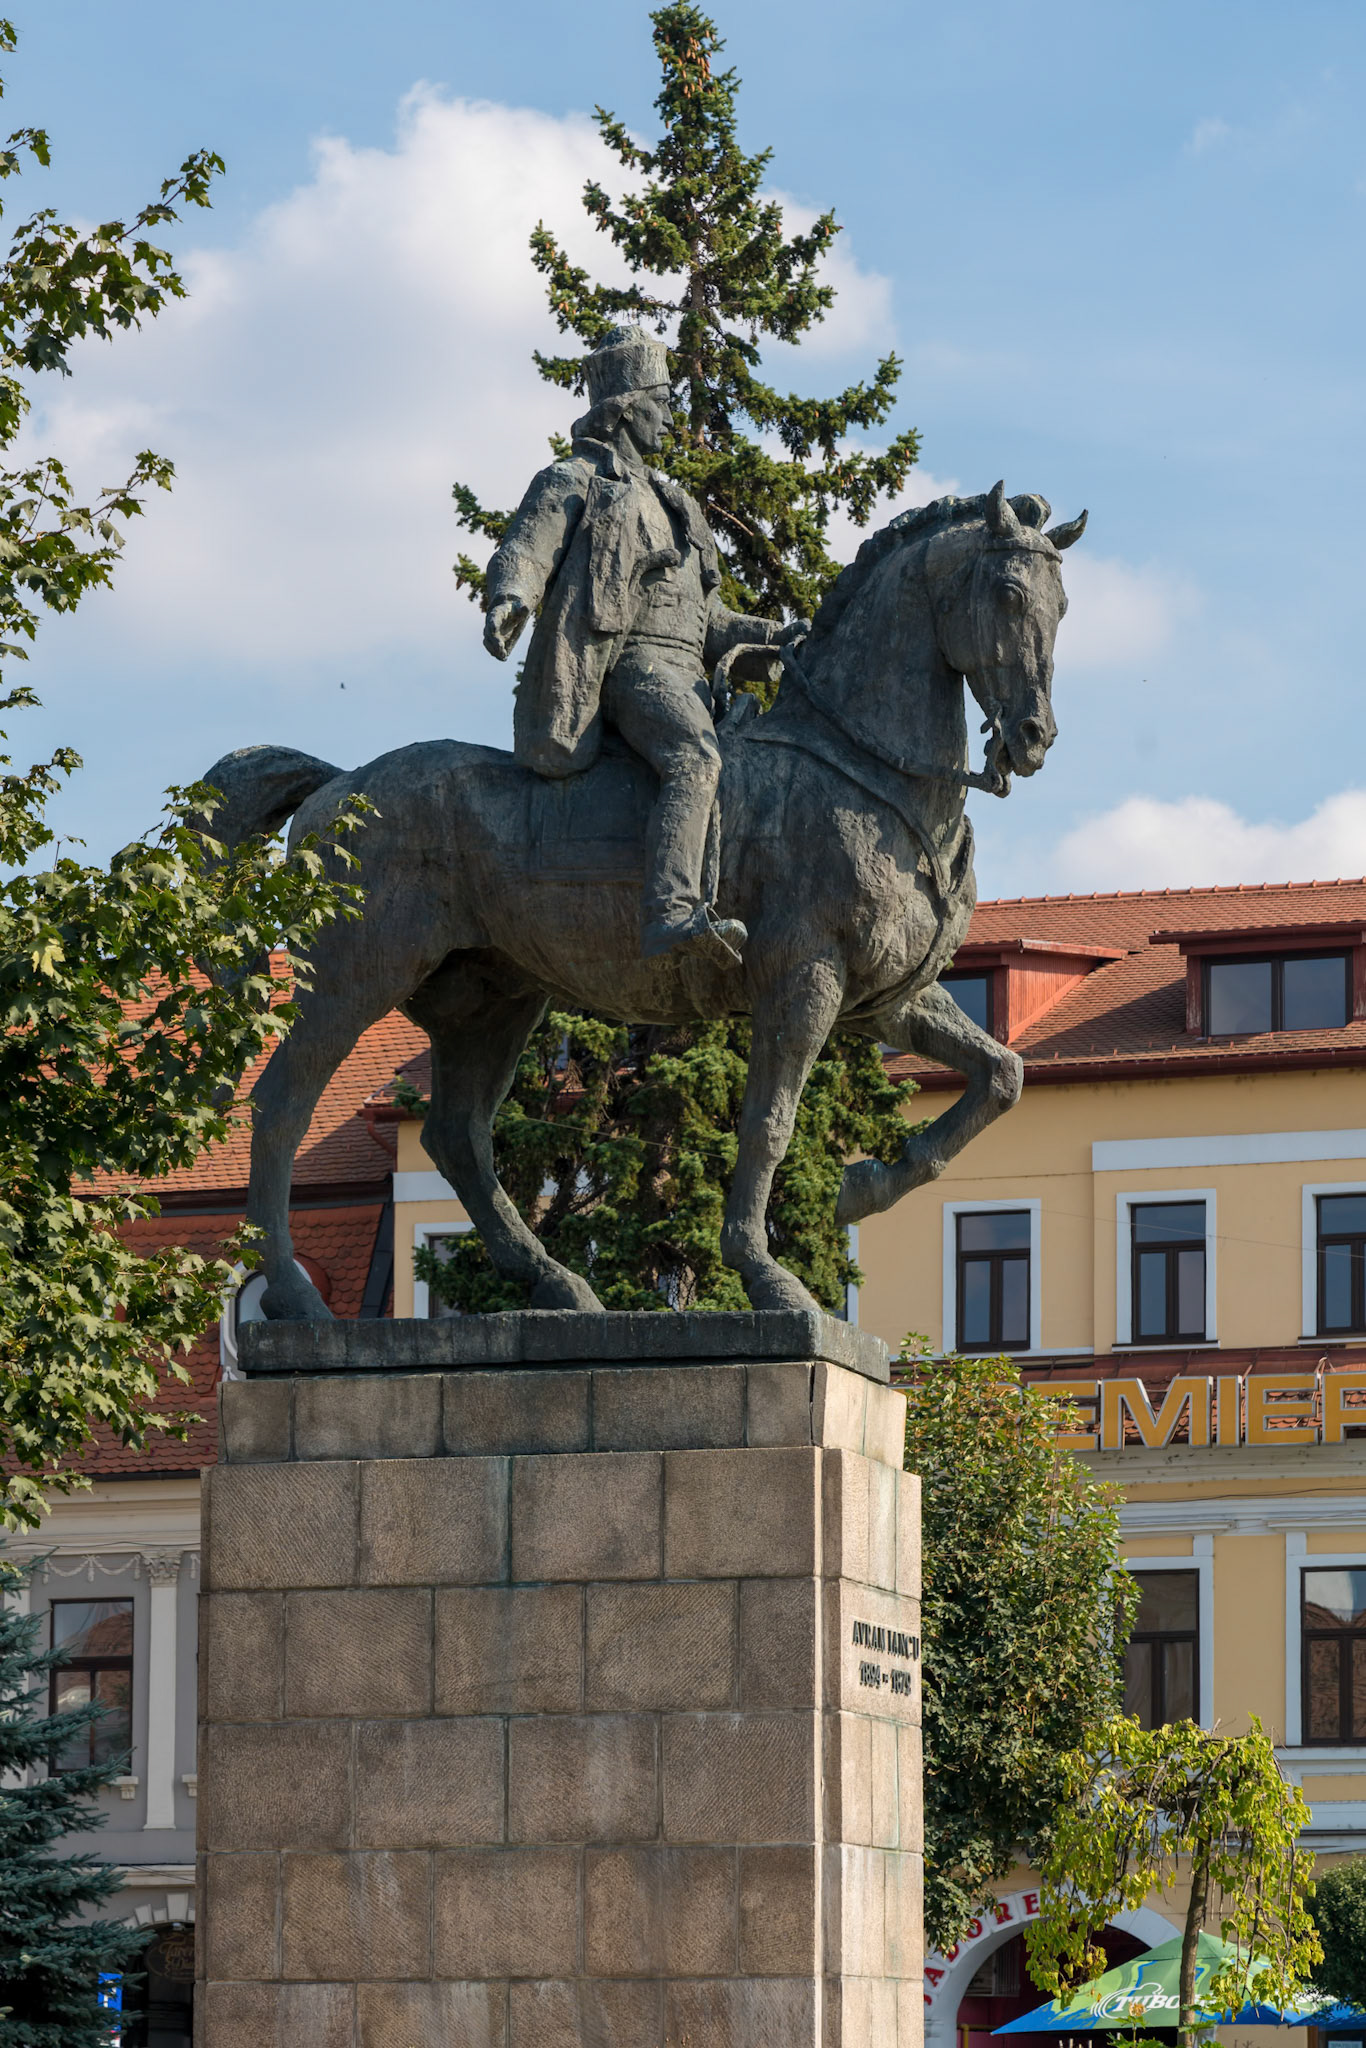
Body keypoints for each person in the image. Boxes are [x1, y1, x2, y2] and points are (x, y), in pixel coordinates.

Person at [482, 324, 805, 966]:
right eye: (662, 403)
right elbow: (529, 543)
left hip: (694, 675)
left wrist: (781, 635)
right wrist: (511, 596)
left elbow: (711, 620)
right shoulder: (577, 478)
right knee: (696, 758)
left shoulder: (675, 503)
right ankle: (672, 911)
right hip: (632, 665)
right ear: (629, 409)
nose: (671, 419)